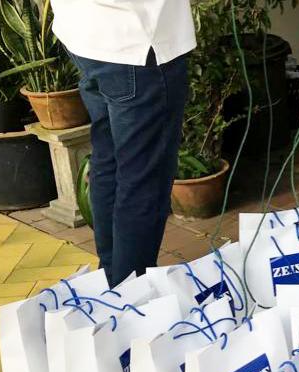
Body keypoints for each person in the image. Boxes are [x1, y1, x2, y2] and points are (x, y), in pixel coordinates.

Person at [51, 0, 196, 286]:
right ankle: (130, 298)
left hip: (86, 34)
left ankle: (114, 282)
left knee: (110, 162)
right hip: (136, 44)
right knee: (143, 182)